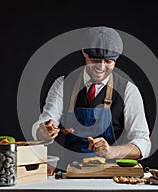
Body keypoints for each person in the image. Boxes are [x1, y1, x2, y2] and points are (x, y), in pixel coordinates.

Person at [32, 26, 151, 170]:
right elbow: (43, 124)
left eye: (108, 62)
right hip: (69, 174)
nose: (101, 67)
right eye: (95, 60)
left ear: (117, 59)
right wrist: (44, 132)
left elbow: (143, 143)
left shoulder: (128, 90)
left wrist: (112, 151)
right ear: (84, 52)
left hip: (111, 177)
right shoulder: (62, 84)